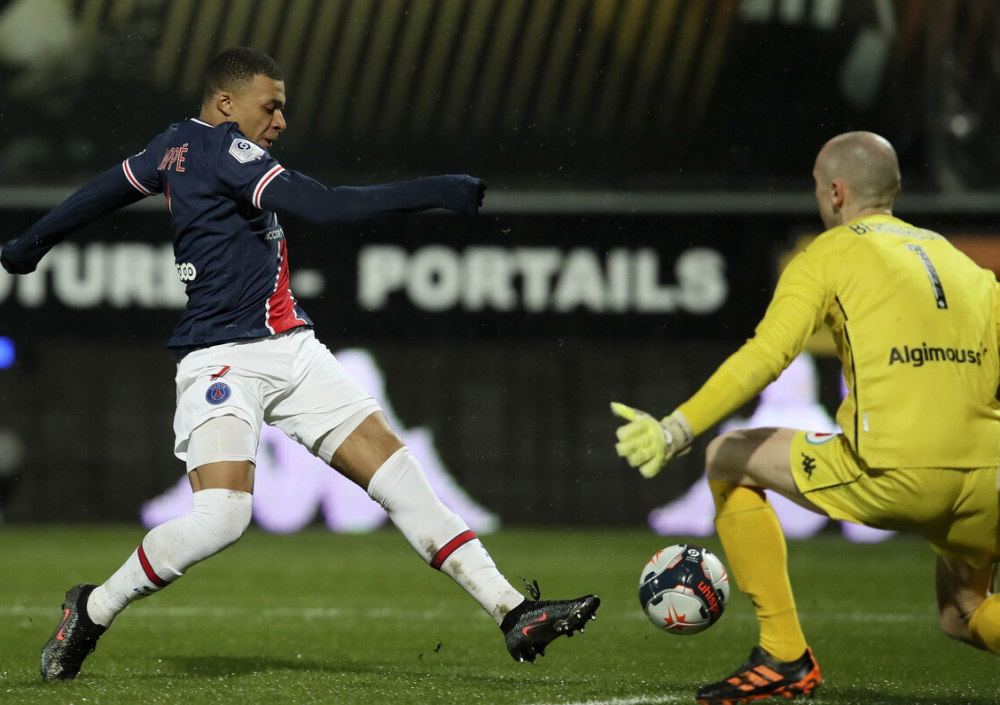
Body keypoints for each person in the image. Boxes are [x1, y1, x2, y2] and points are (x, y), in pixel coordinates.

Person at [1, 47, 599, 682]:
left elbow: (103, 190)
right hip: (222, 359)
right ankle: (92, 610)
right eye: (272, 105)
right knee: (222, 519)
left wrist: (28, 243)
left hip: (292, 348)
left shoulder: (173, 146)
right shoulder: (224, 149)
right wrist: (436, 191)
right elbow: (329, 208)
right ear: (226, 103)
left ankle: (512, 612)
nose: (281, 121)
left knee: (398, 476)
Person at [611, 131, 1000, 704]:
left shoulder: (828, 253)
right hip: (988, 480)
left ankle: (784, 656)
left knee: (727, 456)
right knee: (964, 612)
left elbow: (766, 355)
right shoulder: (965, 267)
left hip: (895, 473)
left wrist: (677, 428)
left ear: (836, 193)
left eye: (818, 188)